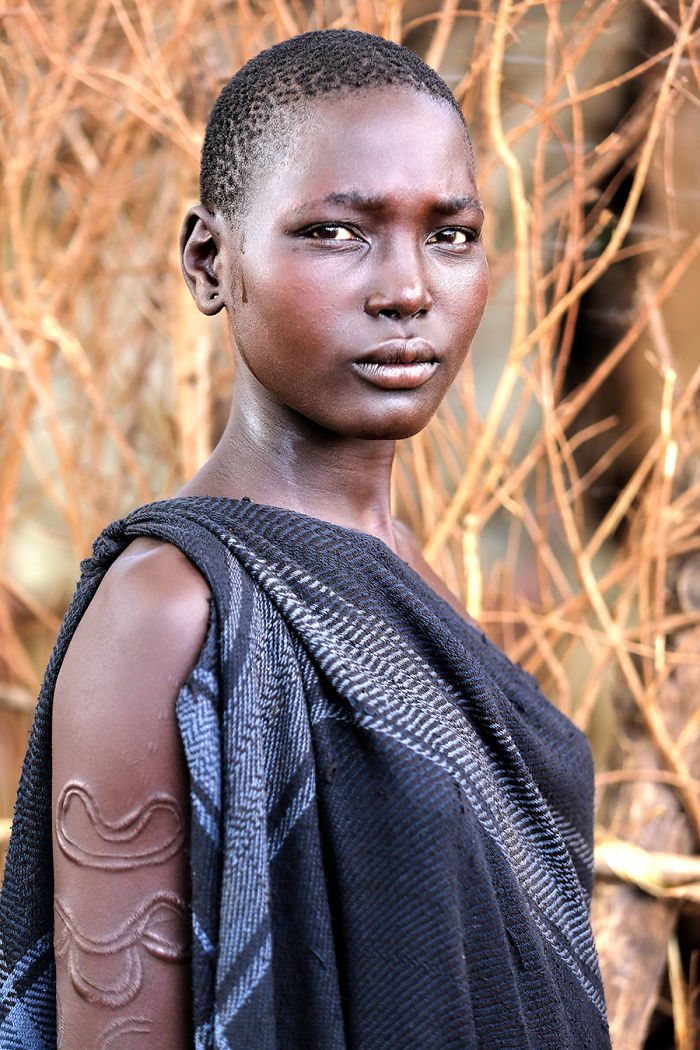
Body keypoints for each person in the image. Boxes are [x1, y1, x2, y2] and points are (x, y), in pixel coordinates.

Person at [0, 29, 611, 1050]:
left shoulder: (405, 569)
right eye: (335, 233)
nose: (406, 289)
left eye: (450, 234)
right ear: (210, 260)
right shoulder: (170, 609)